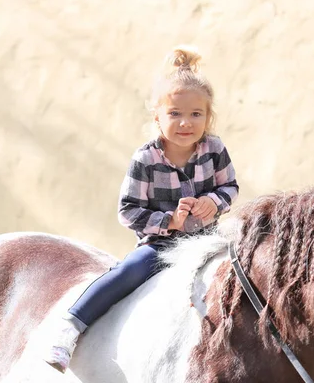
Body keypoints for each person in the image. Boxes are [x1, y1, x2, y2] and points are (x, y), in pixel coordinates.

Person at [44, 45, 239, 373]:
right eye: (174, 113)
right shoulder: (146, 158)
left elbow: (229, 187)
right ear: (157, 117)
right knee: (128, 272)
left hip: (209, 239)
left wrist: (213, 202)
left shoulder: (214, 148)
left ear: (208, 117)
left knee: (244, 270)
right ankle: (70, 327)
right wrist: (170, 222)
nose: (185, 123)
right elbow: (128, 210)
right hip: (160, 244)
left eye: (196, 114)